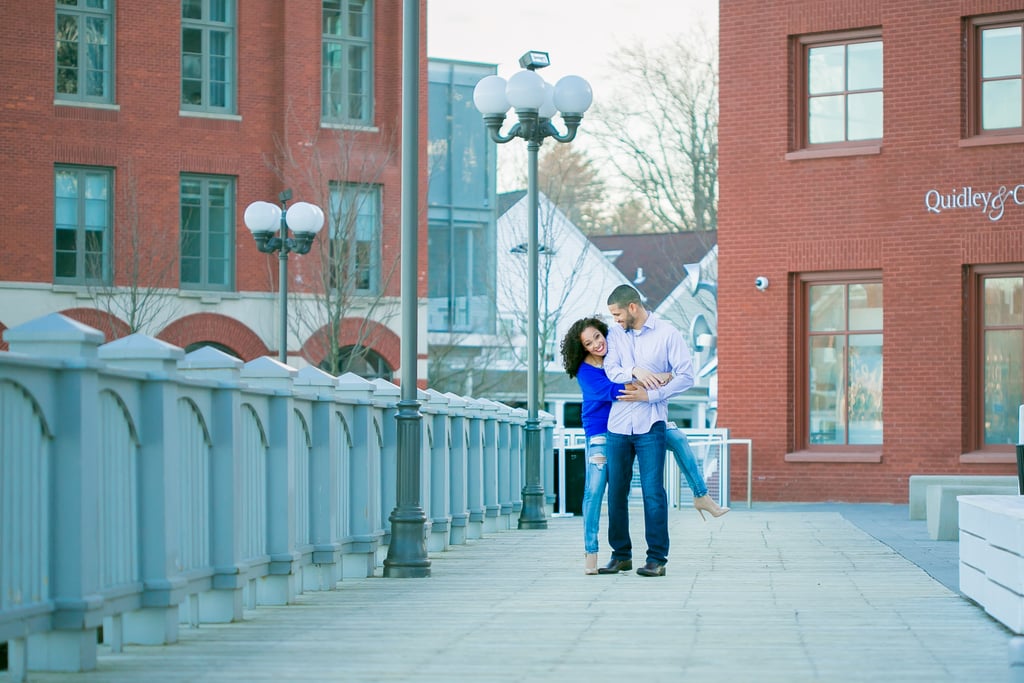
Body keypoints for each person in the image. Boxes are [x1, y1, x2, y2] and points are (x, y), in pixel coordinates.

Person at [560, 317, 728, 575]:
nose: (596, 343)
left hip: (638, 421)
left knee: (677, 438)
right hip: (603, 434)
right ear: (581, 347)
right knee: (596, 492)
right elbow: (617, 391)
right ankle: (592, 552)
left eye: (597, 336)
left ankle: (701, 495)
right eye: (588, 342)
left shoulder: (615, 355)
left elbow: (635, 380)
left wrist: (649, 378)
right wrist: (656, 378)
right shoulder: (587, 370)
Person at [600, 284, 694, 577]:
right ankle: (621, 555)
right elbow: (610, 370)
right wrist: (636, 372)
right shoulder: (615, 335)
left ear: (632, 307)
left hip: (651, 423)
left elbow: (687, 376)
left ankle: (657, 559)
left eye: (617, 314)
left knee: (653, 492)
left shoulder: (668, 334)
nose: (614, 320)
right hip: (617, 425)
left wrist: (651, 395)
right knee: (616, 491)